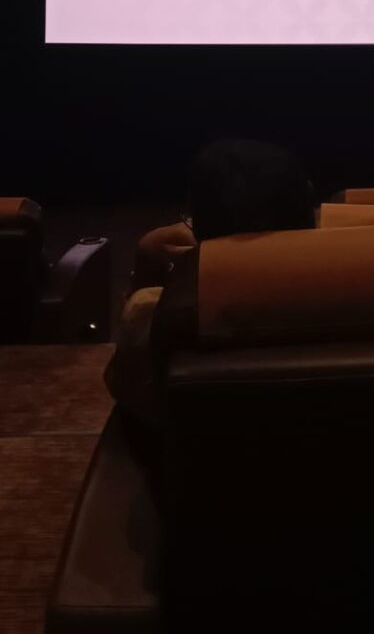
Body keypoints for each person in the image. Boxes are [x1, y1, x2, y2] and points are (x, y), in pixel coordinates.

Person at [105, 139, 314, 428]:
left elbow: (130, 390)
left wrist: (179, 274)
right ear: (308, 203)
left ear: (198, 223)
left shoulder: (154, 311)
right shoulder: (356, 293)